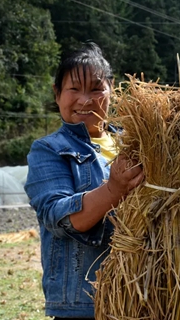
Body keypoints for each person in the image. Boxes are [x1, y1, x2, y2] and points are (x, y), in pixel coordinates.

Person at [25, 42, 144, 319]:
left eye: (96, 89)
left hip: (143, 297)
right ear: (57, 94)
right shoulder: (48, 150)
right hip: (86, 304)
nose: (85, 99)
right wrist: (115, 188)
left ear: (111, 90)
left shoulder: (136, 142)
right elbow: (62, 217)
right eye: (74, 89)